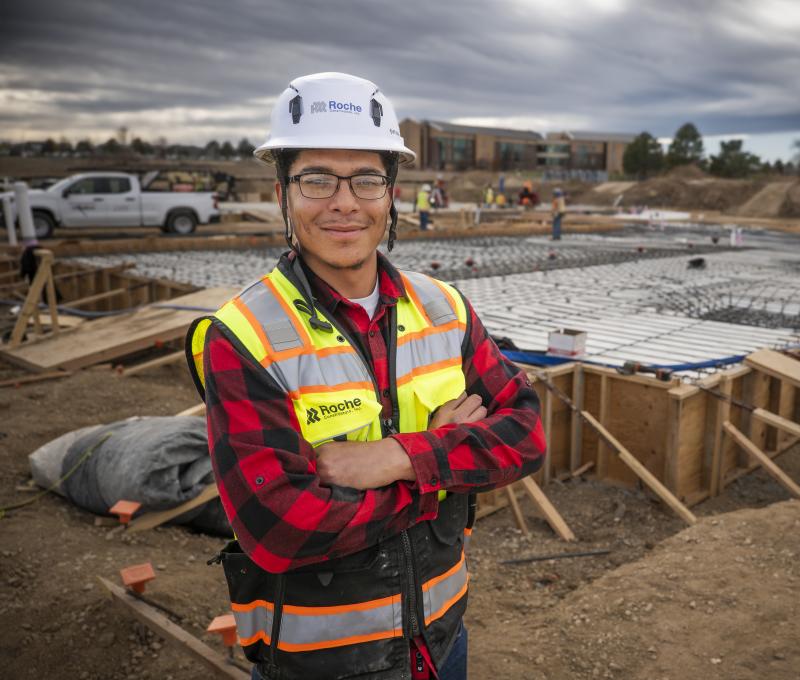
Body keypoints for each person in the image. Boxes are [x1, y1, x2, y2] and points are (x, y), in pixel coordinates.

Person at [184, 72, 545, 680]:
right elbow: (282, 526)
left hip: (442, 639)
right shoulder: (244, 335)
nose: (344, 201)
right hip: (320, 664)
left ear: (391, 193)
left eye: (367, 179)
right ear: (283, 194)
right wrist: (443, 473)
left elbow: (527, 436)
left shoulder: (444, 309)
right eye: (317, 179)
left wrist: (402, 457)